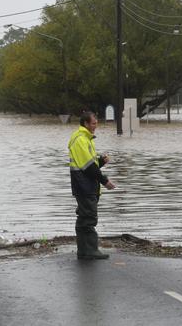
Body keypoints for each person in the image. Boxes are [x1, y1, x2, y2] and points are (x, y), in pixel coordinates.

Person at [68, 111, 116, 260]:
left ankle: (84, 250)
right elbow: (88, 167)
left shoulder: (85, 138)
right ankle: (90, 250)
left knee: (84, 217)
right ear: (86, 124)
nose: (96, 126)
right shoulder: (81, 140)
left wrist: (101, 161)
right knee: (88, 217)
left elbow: (89, 164)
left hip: (84, 185)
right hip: (84, 186)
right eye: (93, 123)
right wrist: (105, 181)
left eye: (96, 123)